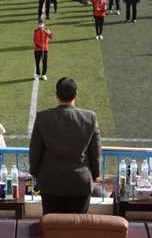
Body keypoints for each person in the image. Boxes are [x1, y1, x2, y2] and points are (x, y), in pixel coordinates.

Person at [29, 77, 101, 214]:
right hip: (79, 183)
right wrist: (96, 174)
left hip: (51, 183)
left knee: (53, 228)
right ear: (76, 94)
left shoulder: (43, 117)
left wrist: (35, 173)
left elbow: (35, 151)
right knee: (75, 229)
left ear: (57, 94)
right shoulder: (89, 117)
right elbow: (95, 151)